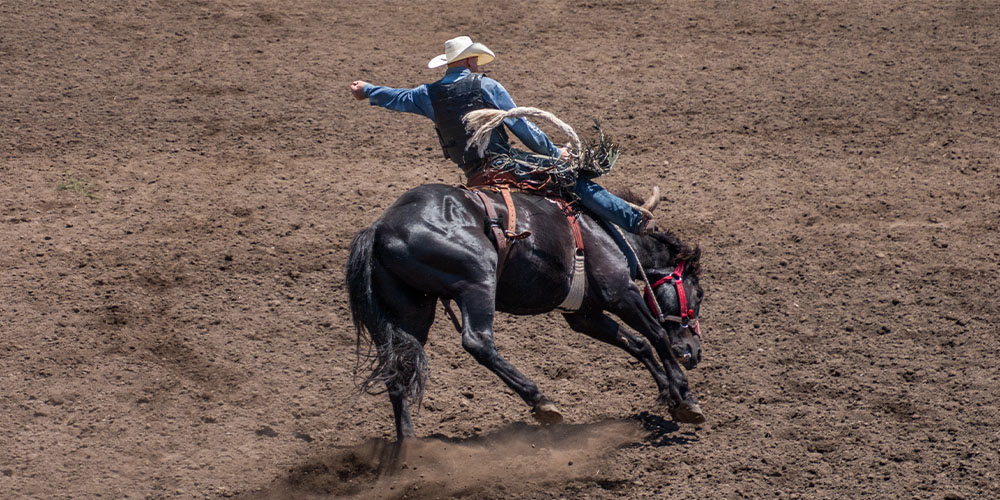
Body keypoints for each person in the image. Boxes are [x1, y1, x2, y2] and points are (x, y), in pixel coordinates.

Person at [350, 36, 655, 234]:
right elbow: (522, 126)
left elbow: (395, 97)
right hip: (504, 166)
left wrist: (367, 91)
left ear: (448, 63)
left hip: (473, 174)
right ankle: (633, 220)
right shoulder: (486, 86)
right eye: (475, 60)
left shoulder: (427, 95)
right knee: (573, 180)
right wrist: (555, 153)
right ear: (470, 61)